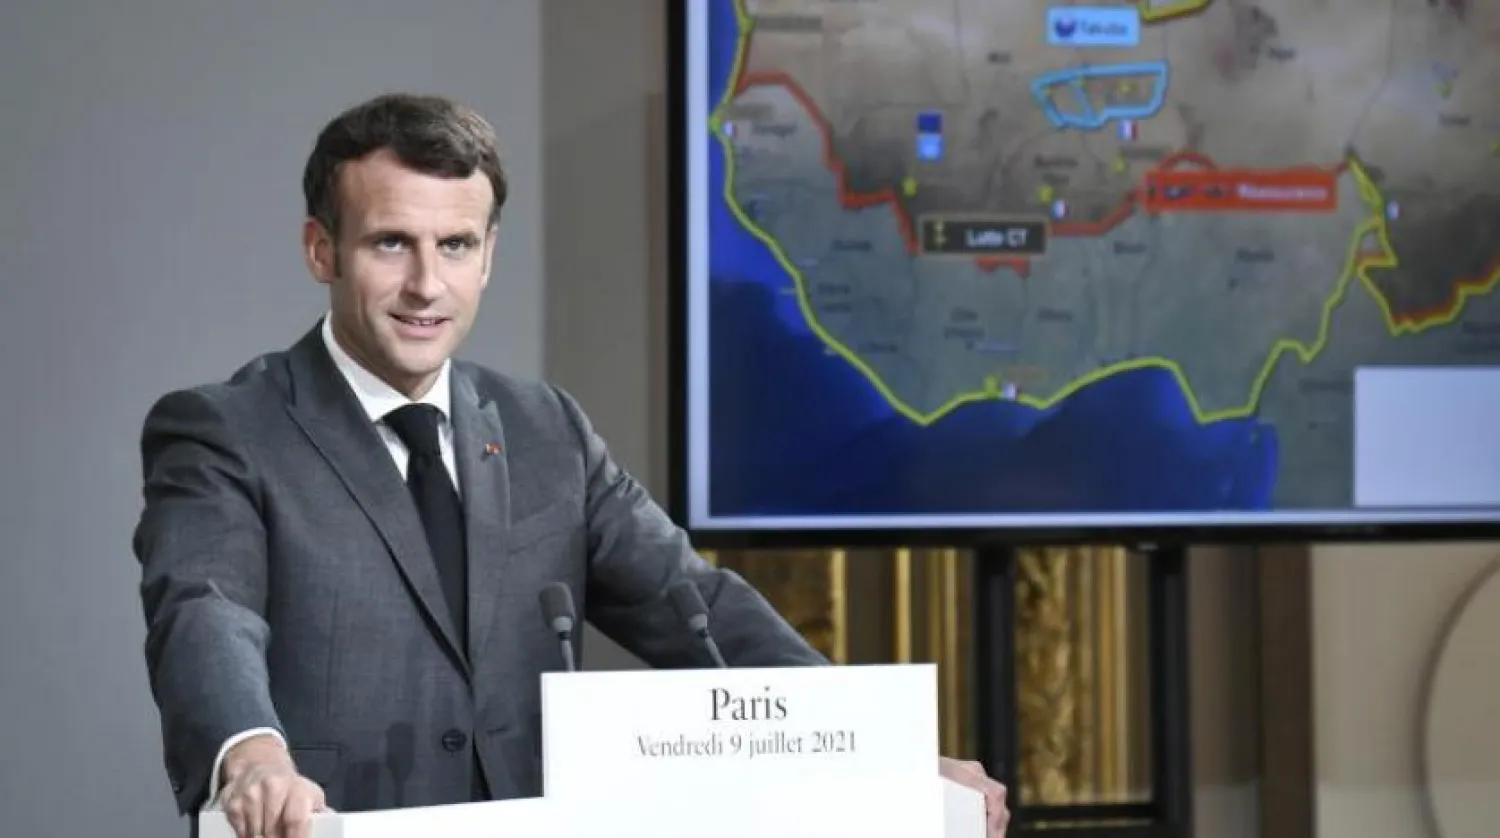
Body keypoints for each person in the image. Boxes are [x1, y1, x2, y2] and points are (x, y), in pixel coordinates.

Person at [133, 92, 1009, 838]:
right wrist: (250, 753)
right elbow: (205, 610)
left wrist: (881, 753)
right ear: (322, 251)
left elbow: (695, 608)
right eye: (391, 243)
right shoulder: (226, 430)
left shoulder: (544, 426)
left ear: (489, 256)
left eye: (457, 246)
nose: (426, 286)